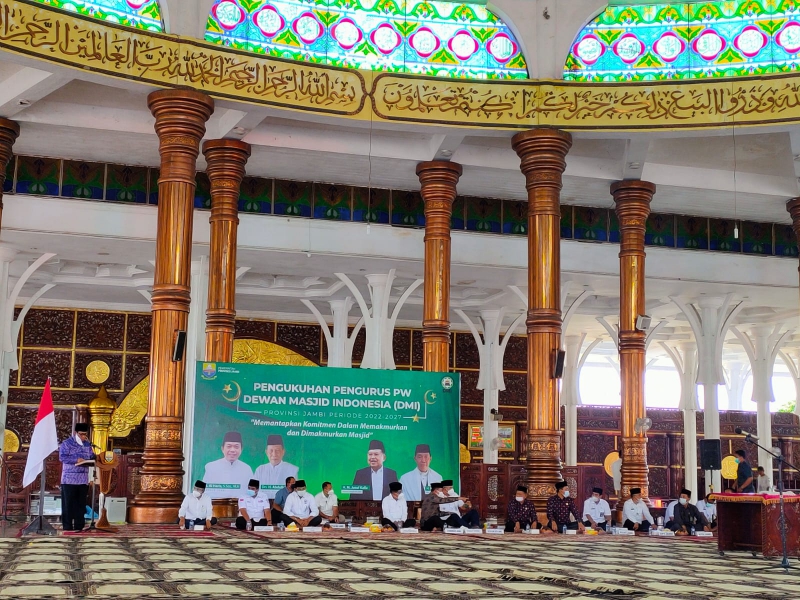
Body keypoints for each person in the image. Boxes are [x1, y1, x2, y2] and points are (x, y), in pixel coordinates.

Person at [58, 422, 95, 532]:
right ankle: (67, 526)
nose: (83, 436)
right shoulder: (67, 443)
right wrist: (76, 459)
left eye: (85, 434)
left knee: (81, 504)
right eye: (81, 434)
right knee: (68, 504)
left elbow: (91, 456)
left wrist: (94, 458)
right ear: (75, 433)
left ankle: (79, 525)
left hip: (83, 479)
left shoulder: (87, 444)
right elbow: (62, 457)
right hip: (69, 479)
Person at [202, 431, 254, 499]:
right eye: (229, 446)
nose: (232, 450)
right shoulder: (211, 467)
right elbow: (205, 492)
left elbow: (252, 492)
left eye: (236, 447)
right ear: (222, 448)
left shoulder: (247, 469)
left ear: (241, 449)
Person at [253, 434, 299, 500]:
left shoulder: (292, 469)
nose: (274, 454)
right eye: (271, 451)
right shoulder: (260, 469)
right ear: (266, 452)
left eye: (277, 451)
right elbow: (253, 490)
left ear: (283, 452)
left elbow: (295, 492)